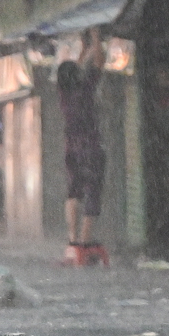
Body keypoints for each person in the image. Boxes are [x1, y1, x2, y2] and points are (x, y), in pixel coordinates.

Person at [57, 28, 106, 250]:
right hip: (90, 146)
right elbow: (100, 62)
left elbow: (75, 69)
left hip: (71, 147)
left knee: (73, 190)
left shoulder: (64, 93)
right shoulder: (85, 89)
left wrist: (85, 48)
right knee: (93, 189)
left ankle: (73, 238)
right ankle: (86, 241)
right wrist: (96, 37)